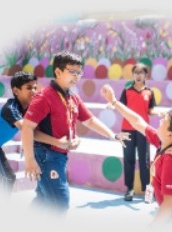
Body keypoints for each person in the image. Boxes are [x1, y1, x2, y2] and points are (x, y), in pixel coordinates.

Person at [21, 51, 129, 213]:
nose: (77, 76)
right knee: (60, 204)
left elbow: (90, 120)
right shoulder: (44, 97)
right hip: (46, 156)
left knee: (43, 201)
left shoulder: (73, 97)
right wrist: (29, 160)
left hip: (60, 156)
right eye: (72, 72)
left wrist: (112, 135)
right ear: (58, 72)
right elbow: (27, 127)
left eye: (79, 72)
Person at [101, 84, 172, 225]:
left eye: (164, 121)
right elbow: (137, 121)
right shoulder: (164, 142)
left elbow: (169, 204)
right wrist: (113, 101)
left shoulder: (170, 159)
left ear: (170, 134)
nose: (159, 121)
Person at [0, 71, 72, 193]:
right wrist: (57, 142)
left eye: (35, 87)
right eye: (28, 88)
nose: (34, 91)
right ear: (16, 91)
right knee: (6, 178)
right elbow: (29, 132)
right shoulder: (11, 109)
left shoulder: (31, 108)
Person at [119, 63, 157, 201]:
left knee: (145, 161)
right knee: (128, 160)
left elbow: (151, 110)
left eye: (141, 72)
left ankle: (147, 190)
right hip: (127, 130)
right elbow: (121, 107)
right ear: (133, 74)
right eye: (136, 72)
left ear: (146, 75)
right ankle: (129, 189)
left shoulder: (149, 92)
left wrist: (160, 113)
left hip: (143, 130)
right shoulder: (126, 91)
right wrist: (112, 104)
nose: (138, 75)